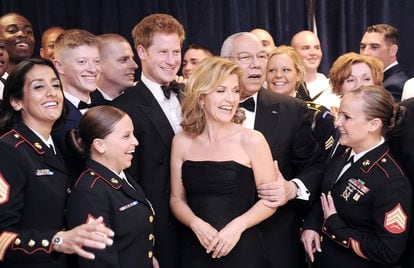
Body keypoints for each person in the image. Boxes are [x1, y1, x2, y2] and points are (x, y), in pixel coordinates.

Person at [221, 32, 324, 268]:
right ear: (225, 61)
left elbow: (315, 166)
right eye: (246, 57)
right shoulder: (204, 108)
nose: (256, 64)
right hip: (217, 239)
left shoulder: (292, 110)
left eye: (261, 56)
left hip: (276, 242)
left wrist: (292, 188)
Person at [0, 58, 114, 268]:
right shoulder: (8, 151)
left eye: (55, 85)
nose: (52, 92)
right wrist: (57, 241)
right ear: (16, 102)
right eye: (39, 87)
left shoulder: (58, 144)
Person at [170, 56, 277, 267]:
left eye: (235, 90)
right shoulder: (181, 140)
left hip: (242, 249)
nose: (231, 99)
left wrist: (237, 227)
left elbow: (269, 201)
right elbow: (176, 199)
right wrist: (196, 224)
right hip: (195, 251)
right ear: (201, 97)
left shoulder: (252, 140)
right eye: (221, 91)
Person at [301, 85, 411, 268]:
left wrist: (335, 226)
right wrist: (312, 224)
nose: (337, 123)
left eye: (347, 117)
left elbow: (387, 251)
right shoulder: (345, 152)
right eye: (339, 114)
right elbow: (329, 194)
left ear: (374, 125)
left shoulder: (391, 181)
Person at [111, 13, 185, 268]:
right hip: (160, 230)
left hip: (202, 223)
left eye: (176, 52)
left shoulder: (192, 96)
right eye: (163, 52)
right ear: (141, 51)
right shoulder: (123, 107)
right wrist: (145, 247)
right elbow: (125, 184)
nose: (172, 60)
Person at [66, 106, 157, 268]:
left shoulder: (121, 176)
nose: (135, 142)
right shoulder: (90, 191)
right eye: (126, 136)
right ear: (100, 145)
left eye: (133, 134)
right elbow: (98, 261)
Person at [52, 29, 106, 182]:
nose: (93, 69)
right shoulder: (54, 118)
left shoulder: (105, 106)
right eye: (82, 62)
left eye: (96, 61)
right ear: (59, 66)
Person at [266, 45, 335, 157]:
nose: (278, 75)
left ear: (298, 75)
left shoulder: (317, 116)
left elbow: (324, 162)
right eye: (272, 70)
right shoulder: (257, 111)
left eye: (286, 70)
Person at [327, 52, 384, 160]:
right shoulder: (332, 122)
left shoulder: (386, 126)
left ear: (377, 84)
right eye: (351, 80)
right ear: (338, 86)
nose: (359, 85)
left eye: (366, 79)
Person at [291, 30, 340, 112]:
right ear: (293, 53)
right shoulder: (284, 87)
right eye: (306, 48)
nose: (313, 53)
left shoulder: (334, 88)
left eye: (317, 48)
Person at [360, 24, 408, 101]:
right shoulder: (385, 80)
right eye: (363, 47)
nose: (365, 53)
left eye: (374, 47)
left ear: (393, 50)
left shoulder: (394, 86)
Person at [95, 33, 138, 101]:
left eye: (132, 58)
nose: (135, 65)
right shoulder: (83, 106)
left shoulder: (140, 100)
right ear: (99, 65)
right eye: (124, 60)